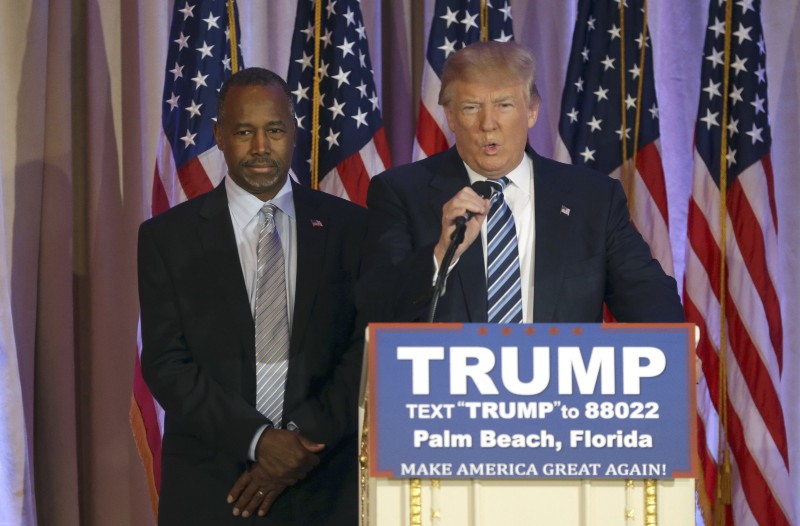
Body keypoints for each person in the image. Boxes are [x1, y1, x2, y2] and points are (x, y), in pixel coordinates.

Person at [138, 67, 365, 525]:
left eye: (275, 130)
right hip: (211, 486)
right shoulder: (167, 237)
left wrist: (297, 442)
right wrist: (259, 440)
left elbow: (362, 354)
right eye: (244, 131)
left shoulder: (353, 229)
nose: (261, 148)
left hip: (321, 482)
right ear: (220, 135)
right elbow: (166, 361)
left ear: (294, 133)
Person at [358, 41, 684, 324]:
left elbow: (645, 291)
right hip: (450, 391)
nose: (489, 124)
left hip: (561, 391)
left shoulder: (593, 197)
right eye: (471, 108)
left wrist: (676, 348)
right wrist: (442, 253)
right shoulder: (401, 192)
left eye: (504, 105)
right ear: (452, 117)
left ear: (531, 111)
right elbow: (377, 306)